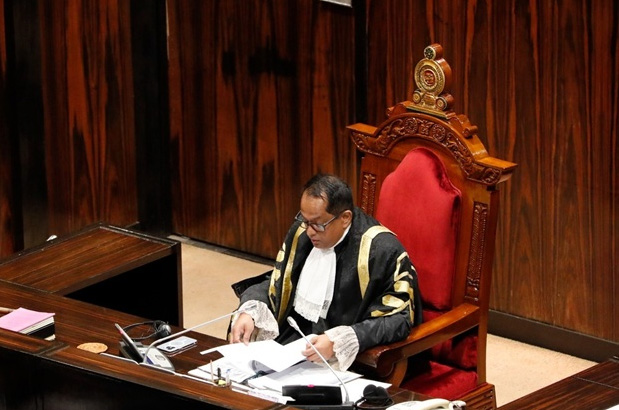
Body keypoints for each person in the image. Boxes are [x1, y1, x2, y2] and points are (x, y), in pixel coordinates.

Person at [230, 173, 422, 370]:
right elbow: (280, 281)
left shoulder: (382, 250)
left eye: (318, 224)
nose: (309, 231)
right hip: (294, 343)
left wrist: (340, 340)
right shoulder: (303, 232)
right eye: (305, 220)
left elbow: (399, 319)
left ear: (345, 218)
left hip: (348, 359)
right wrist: (251, 309)